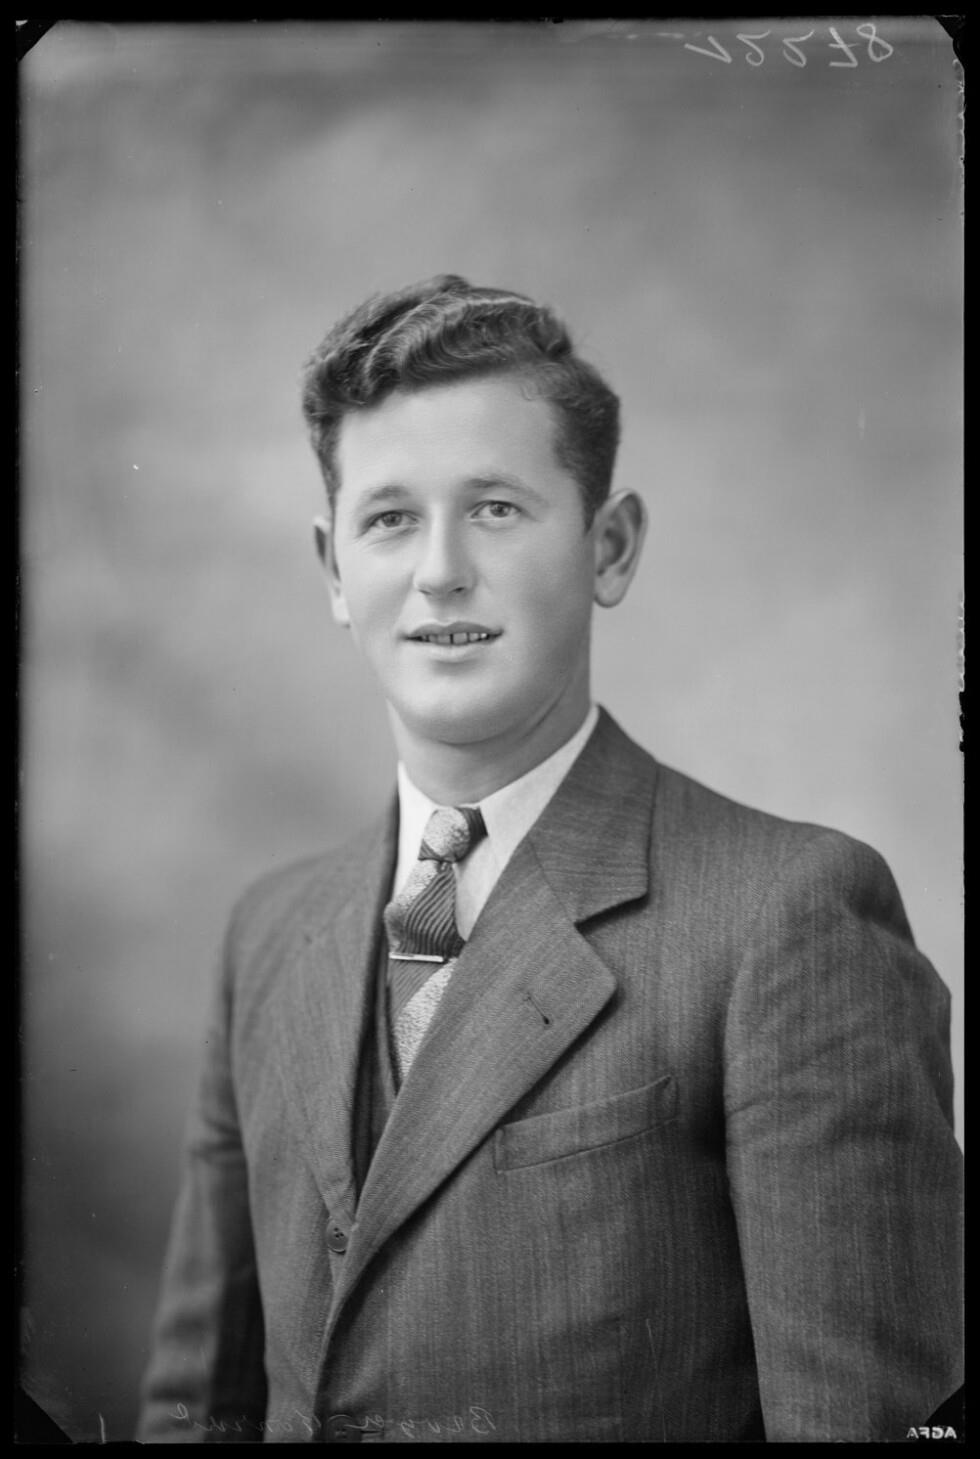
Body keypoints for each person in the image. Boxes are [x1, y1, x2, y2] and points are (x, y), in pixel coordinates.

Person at [137, 275, 962, 1443]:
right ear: (332, 570)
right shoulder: (270, 932)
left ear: (607, 547)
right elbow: (195, 1406)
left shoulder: (785, 915)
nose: (438, 570)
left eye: (494, 508)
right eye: (388, 519)